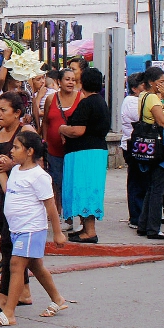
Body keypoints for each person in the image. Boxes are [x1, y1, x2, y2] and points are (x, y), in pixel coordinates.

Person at [0, 131, 69, 327]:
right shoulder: (17, 171)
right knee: (35, 266)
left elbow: (51, 206)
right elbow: (9, 191)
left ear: (30, 151)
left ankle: (8, 313)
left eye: (16, 147)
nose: (12, 151)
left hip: (31, 229)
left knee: (16, 265)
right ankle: (57, 299)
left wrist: (57, 233)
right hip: (17, 228)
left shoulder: (39, 176)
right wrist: (0, 172)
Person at [0, 92, 36, 313]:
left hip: (16, 198)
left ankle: (3, 295)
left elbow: (37, 163)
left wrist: (12, 165)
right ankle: (24, 291)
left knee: (8, 245)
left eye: (4, 110)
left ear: (18, 113)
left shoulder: (26, 132)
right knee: (11, 242)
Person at [59, 68, 111, 244]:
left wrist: (62, 129)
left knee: (85, 189)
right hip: (95, 152)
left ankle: (90, 231)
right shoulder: (101, 102)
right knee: (87, 189)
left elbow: (78, 130)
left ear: (82, 83)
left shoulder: (87, 103)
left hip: (85, 155)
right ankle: (85, 228)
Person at [134, 67, 164, 239]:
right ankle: (154, 228)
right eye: (161, 82)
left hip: (147, 143)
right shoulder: (152, 98)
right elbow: (163, 122)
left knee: (151, 186)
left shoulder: (144, 96)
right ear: (152, 82)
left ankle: (143, 224)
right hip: (158, 144)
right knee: (158, 188)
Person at [41, 67, 79, 218]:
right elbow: (45, 122)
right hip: (53, 149)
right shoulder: (51, 99)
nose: (71, 82)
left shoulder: (80, 98)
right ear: (59, 82)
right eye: (67, 79)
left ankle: (69, 214)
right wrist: (44, 141)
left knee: (70, 182)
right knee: (55, 181)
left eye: (73, 80)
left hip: (72, 150)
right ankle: (57, 213)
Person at [120, 73, 150, 224]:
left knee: (141, 183)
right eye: (143, 86)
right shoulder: (132, 102)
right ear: (134, 88)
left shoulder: (140, 100)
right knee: (136, 183)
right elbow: (145, 116)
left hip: (141, 146)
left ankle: (141, 216)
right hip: (133, 147)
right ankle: (136, 217)